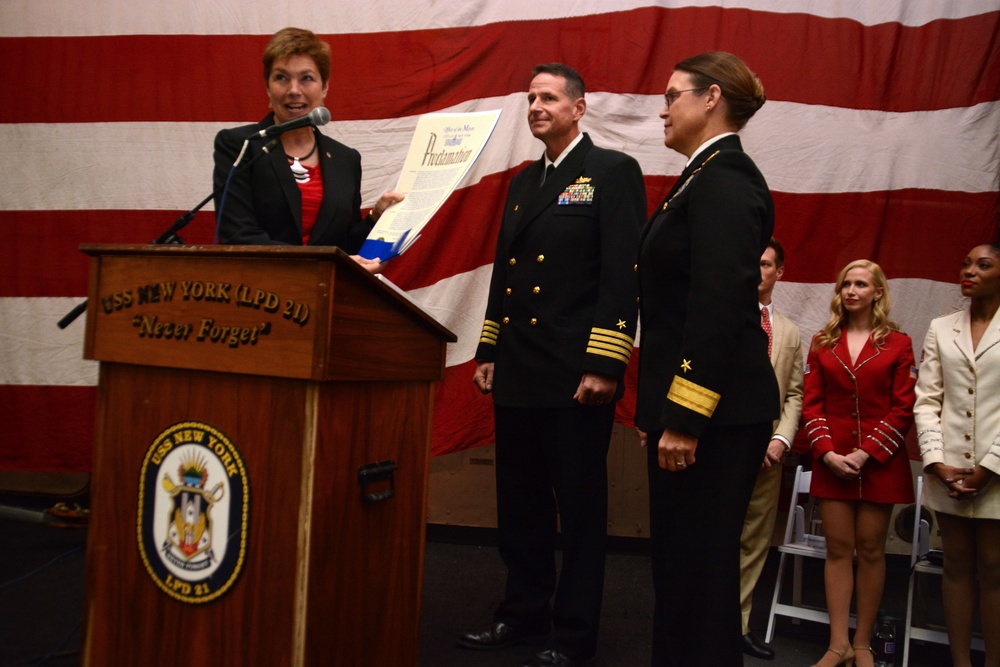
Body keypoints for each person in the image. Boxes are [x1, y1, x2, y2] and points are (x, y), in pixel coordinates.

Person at [461, 62, 646, 667]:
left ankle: (572, 635)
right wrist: (488, 349)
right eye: (530, 97)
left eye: (548, 97)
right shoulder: (521, 183)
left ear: (578, 107)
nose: (536, 106)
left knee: (582, 513)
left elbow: (623, 275)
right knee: (520, 508)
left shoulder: (613, 173)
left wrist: (607, 365)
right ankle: (521, 614)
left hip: (574, 378)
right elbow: (505, 277)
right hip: (519, 371)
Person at [635, 51, 779, 666]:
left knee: (699, 572)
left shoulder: (724, 179)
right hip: (703, 410)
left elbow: (717, 308)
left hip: (712, 418)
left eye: (673, 94)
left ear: (711, 97)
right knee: (683, 568)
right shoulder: (702, 175)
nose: (663, 107)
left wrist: (685, 419)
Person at [802, 259, 916, 667]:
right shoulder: (821, 341)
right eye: (846, 284)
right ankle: (838, 644)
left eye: (861, 284)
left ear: (878, 293)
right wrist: (829, 453)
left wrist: (866, 452)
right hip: (833, 461)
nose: (851, 291)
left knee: (870, 550)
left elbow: (903, 408)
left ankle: (863, 642)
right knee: (838, 549)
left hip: (880, 462)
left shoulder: (899, 344)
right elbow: (811, 404)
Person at [212, 27, 402, 270]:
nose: (294, 90)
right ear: (268, 88)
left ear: (324, 89)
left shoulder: (346, 159)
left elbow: (347, 246)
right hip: (258, 295)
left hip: (326, 297)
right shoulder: (241, 145)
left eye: (306, 78)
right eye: (281, 77)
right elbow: (237, 236)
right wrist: (322, 262)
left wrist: (375, 218)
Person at [914, 242, 1000, 667]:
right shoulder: (940, 327)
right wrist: (936, 461)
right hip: (949, 469)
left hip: (995, 474)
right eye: (965, 263)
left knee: (995, 568)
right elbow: (927, 400)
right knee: (956, 565)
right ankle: (961, 662)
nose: (969, 271)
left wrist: (989, 468)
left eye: (983, 265)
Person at [738, 237, 804, 661]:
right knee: (713, 540)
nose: (756, 270)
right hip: (718, 451)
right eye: (751, 263)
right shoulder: (722, 317)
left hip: (767, 455)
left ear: (779, 272)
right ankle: (701, 624)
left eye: (765, 264)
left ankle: (737, 625)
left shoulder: (790, 332)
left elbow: (795, 393)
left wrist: (780, 439)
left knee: (754, 542)